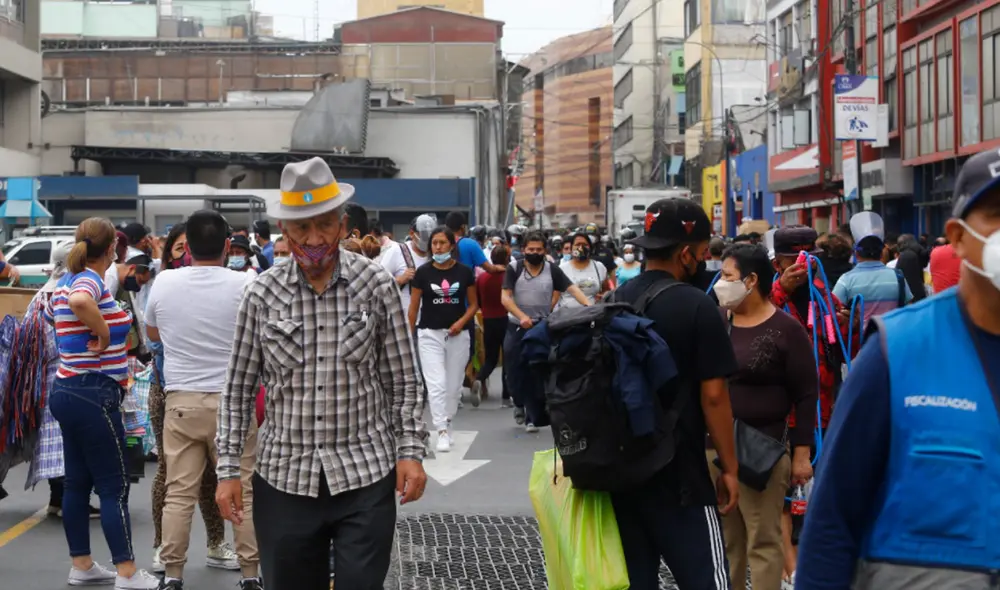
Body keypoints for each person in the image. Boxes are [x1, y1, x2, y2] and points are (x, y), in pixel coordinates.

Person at [214, 157, 427, 590]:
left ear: (343, 224)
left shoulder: (376, 285)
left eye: (325, 226)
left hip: (365, 473)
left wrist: (411, 450)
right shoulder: (260, 294)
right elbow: (237, 390)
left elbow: (403, 378)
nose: (314, 240)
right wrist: (227, 469)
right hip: (285, 478)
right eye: (301, 229)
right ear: (284, 231)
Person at [796, 149, 1000, 589]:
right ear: (957, 237)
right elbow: (831, 518)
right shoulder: (896, 352)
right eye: (997, 215)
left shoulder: (854, 283)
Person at [612, 198, 739, 590]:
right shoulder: (698, 307)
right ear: (685, 253)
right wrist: (730, 467)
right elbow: (714, 397)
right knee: (710, 582)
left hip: (621, 473)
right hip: (680, 476)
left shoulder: (615, 299)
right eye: (702, 254)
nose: (704, 262)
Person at [146, 211, 260, 590]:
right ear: (228, 246)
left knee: (179, 491)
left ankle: (173, 574)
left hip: (182, 402)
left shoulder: (165, 281)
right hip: (234, 404)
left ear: (186, 246)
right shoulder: (246, 282)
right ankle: (250, 575)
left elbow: (153, 331)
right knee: (243, 488)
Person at [44, 217, 159, 590]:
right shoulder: (88, 281)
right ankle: (127, 572)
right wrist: (106, 330)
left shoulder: (64, 282)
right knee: (113, 487)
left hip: (68, 390)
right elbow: (80, 302)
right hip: (93, 392)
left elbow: (53, 315)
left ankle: (82, 564)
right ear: (112, 250)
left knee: (77, 484)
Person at [709, 243, 817, 590]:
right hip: (715, 450)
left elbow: (806, 394)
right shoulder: (717, 322)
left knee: (763, 540)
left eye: (728, 277)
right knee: (728, 543)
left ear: (752, 280)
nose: (720, 284)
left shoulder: (786, 330)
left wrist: (801, 454)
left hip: (763, 452)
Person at [501, 231, 589, 429]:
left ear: (545, 251)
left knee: (536, 370)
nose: (534, 253)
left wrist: (589, 307)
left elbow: (572, 289)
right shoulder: (514, 268)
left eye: (539, 249)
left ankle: (533, 416)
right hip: (517, 326)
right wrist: (521, 316)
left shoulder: (552, 270)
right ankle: (518, 401)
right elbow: (505, 298)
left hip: (541, 327)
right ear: (523, 250)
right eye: (530, 249)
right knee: (514, 371)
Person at [408, 226, 479, 452]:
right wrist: (408, 336)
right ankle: (441, 430)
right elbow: (413, 307)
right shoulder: (423, 273)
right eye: (434, 243)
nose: (437, 247)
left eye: (442, 243)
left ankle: (447, 421)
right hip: (429, 334)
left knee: (454, 387)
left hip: (458, 335)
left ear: (451, 245)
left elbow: (474, 304)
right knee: (436, 384)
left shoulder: (465, 272)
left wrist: (461, 322)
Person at [833, 213, 913, 324]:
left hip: (861, 340)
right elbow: (908, 310)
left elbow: (833, 312)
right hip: (891, 337)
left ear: (856, 254)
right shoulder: (898, 277)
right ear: (881, 254)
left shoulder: (846, 280)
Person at [472, 245, 510, 403]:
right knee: (508, 359)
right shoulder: (509, 276)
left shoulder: (482, 278)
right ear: (507, 259)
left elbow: (478, 301)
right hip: (506, 319)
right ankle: (506, 396)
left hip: (488, 319)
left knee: (491, 358)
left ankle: (479, 379)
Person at [557, 232, 611, 308]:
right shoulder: (561, 269)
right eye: (577, 244)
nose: (581, 247)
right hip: (567, 316)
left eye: (584, 245)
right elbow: (555, 296)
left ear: (590, 247)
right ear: (571, 248)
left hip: (592, 315)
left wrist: (602, 297)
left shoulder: (599, 267)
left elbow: (606, 290)